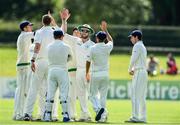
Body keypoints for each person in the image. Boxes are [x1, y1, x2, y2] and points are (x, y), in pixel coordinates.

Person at [23, 10, 67, 121]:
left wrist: (33, 59)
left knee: (34, 88)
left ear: (43, 22)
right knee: (51, 90)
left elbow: (37, 46)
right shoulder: (55, 31)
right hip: (51, 63)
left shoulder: (39, 32)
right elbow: (63, 31)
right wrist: (63, 20)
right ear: (50, 21)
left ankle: (27, 113)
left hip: (40, 61)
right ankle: (53, 115)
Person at [63, 23, 95, 121]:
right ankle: (85, 115)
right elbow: (63, 33)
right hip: (79, 71)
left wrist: (89, 72)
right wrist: (64, 20)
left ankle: (101, 112)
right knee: (81, 94)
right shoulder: (76, 40)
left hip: (89, 71)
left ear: (89, 33)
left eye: (86, 31)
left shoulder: (93, 45)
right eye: (82, 30)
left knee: (91, 94)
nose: (84, 32)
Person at [86, 21, 113, 122]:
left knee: (92, 95)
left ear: (97, 39)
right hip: (105, 74)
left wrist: (86, 73)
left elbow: (88, 61)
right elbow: (111, 40)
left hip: (95, 74)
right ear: (105, 39)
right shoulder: (107, 47)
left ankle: (99, 110)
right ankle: (102, 118)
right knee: (103, 96)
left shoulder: (92, 48)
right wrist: (105, 30)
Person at [43, 30, 72, 122]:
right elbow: (71, 57)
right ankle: (65, 115)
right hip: (62, 70)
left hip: (51, 70)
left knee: (50, 93)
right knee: (64, 94)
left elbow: (47, 57)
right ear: (62, 36)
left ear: (54, 36)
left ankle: (47, 115)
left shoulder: (49, 46)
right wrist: (63, 61)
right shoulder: (66, 46)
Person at [125, 29, 148, 123]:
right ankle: (143, 117)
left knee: (134, 95)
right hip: (142, 71)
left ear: (136, 37)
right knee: (141, 96)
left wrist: (129, 69)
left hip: (139, 72)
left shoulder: (137, 46)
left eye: (132, 37)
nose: (131, 39)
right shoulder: (142, 46)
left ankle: (135, 116)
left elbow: (133, 59)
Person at [13, 20, 34, 120]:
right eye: (29, 26)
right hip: (23, 65)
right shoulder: (24, 35)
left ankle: (20, 113)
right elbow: (38, 34)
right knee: (21, 90)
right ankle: (18, 114)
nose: (31, 27)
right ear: (24, 28)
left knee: (24, 90)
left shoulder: (26, 36)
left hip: (25, 65)